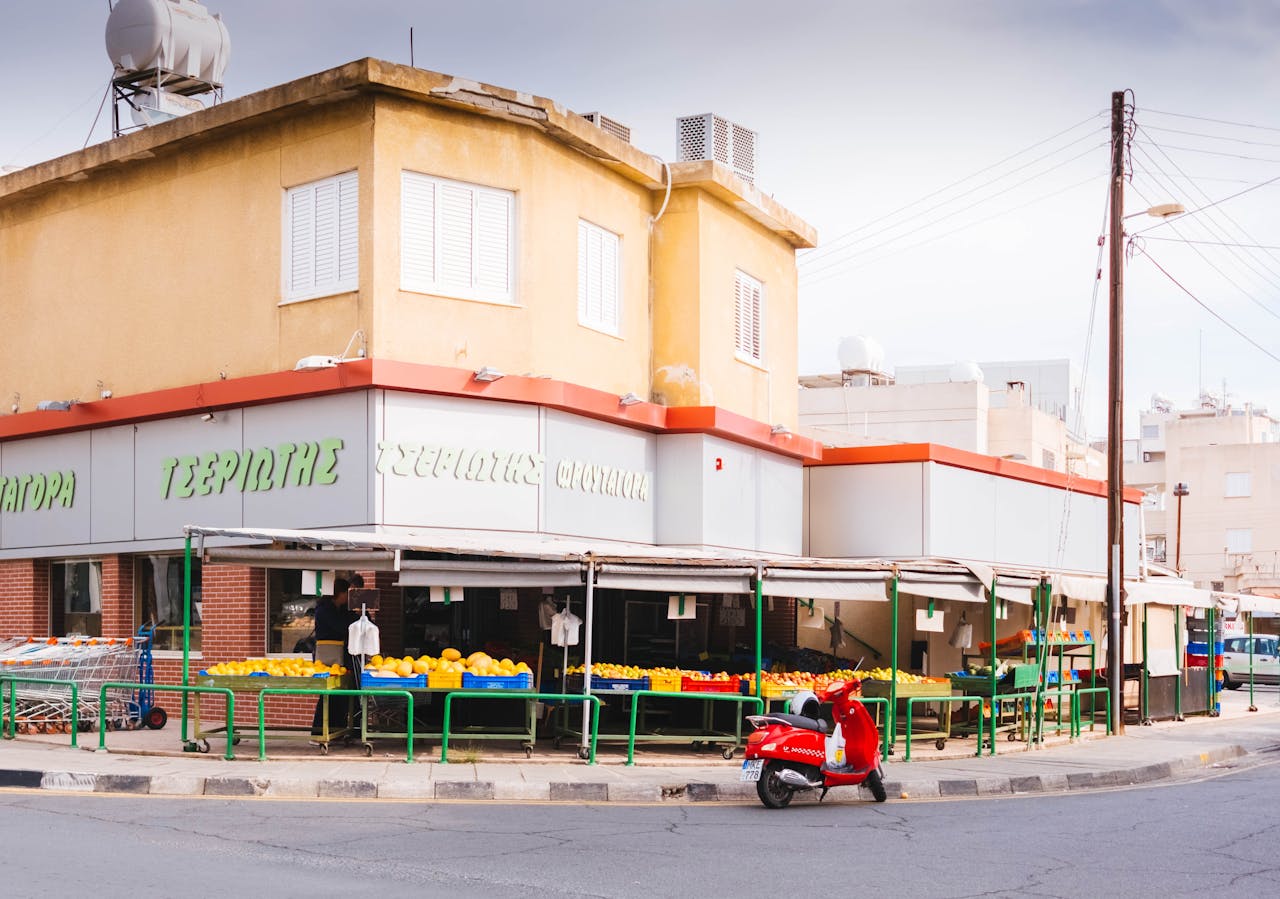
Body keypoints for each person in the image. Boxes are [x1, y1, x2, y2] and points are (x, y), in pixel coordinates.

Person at [311, 576, 361, 737]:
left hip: (340, 657)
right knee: (328, 693)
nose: (348, 598)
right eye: (347, 594)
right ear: (339, 593)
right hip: (327, 656)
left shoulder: (341, 609)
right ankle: (319, 732)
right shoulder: (324, 610)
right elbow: (341, 627)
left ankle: (337, 729)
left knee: (340, 693)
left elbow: (350, 620)